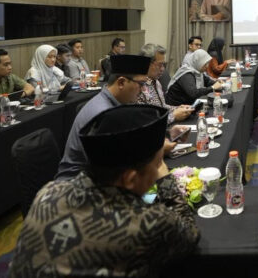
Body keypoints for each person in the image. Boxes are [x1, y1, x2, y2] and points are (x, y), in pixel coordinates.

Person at [10, 105, 200, 276]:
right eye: (159, 163)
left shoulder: (48, 192)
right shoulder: (147, 222)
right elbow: (190, 234)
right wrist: (165, 179)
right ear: (130, 178)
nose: (161, 167)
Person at [56, 55, 152, 181]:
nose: (143, 89)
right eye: (141, 84)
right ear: (121, 82)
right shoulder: (103, 114)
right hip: (75, 187)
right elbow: (112, 167)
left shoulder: (113, 102)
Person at [138, 43, 194, 124]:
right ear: (147, 64)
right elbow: (147, 121)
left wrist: (178, 108)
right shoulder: (138, 86)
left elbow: (162, 107)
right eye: (160, 65)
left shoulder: (156, 82)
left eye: (164, 65)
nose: (162, 69)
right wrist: (173, 116)